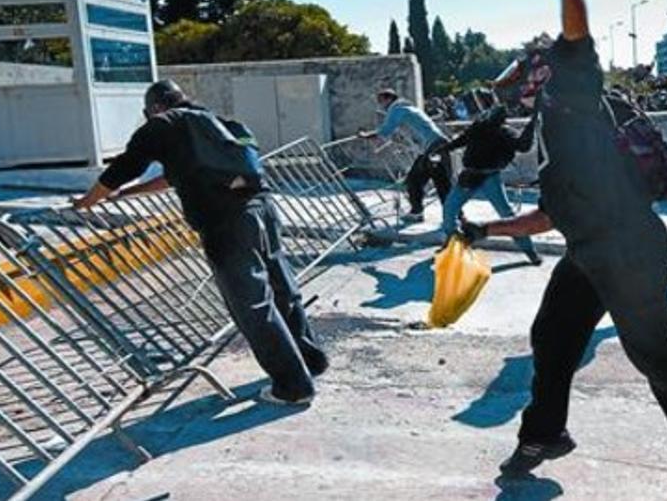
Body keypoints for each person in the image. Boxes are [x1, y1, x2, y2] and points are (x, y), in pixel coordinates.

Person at [459, 0, 667, 495]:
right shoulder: (551, 122)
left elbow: (575, 28)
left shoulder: (575, 91)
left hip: (630, 249)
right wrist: (484, 229)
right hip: (590, 252)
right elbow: (549, 217)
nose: (515, 74)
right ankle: (543, 432)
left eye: (528, 62)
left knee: (653, 353)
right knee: (552, 335)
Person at [73, 80, 326, 406]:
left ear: (155, 108)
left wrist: (87, 201)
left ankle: (293, 386)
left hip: (225, 222)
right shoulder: (221, 124)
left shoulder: (164, 124)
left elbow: (123, 168)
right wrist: (128, 194)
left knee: (252, 304)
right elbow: (175, 176)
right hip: (263, 209)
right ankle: (310, 360)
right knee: (282, 289)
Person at [436, 105, 541, 264]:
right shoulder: (479, 128)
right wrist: (444, 148)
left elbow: (523, 146)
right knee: (450, 209)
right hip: (470, 176)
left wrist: (531, 125)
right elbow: (461, 140)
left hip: (489, 177)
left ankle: (530, 251)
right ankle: (453, 245)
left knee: (507, 216)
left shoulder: (504, 132)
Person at [359, 89, 451, 222]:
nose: (380, 105)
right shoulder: (407, 107)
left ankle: (456, 217)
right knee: (414, 180)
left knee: (442, 184)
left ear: (389, 99)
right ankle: (417, 212)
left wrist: (365, 136)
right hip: (430, 148)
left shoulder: (397, 108)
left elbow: (386, 130)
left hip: (435, 147)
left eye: (381, 101)